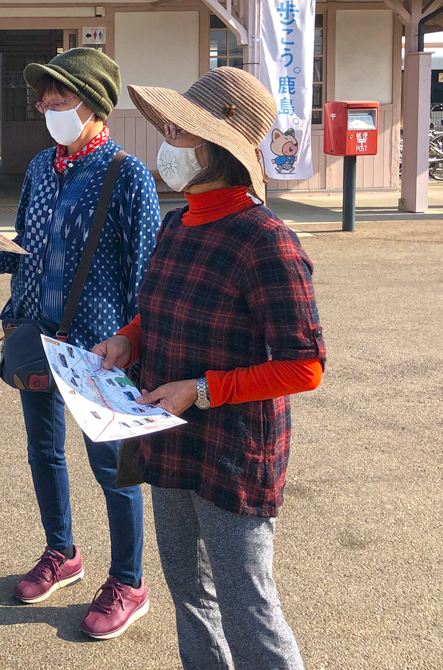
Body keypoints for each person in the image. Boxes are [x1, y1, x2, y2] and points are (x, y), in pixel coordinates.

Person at [92, 67, 325, 669]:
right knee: (190, 593)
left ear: (219, 148)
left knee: (247, 602)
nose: (168, 140)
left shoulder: (266, 239)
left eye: (182, 131)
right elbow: (158, 313)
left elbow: (304, 366)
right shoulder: (177, 223)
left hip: (233, 450)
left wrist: (201, 390)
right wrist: (125, 341)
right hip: (167, 439)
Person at [0, 48, 161, 640]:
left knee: (113, 466)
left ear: (96, 107)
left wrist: (136, 343)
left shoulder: (126, 174)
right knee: (44, 452)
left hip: (100, 349)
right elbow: (31, 245)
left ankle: (129, 582)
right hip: (35, 334)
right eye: (45, 102)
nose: (50, 111)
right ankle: (62, 554)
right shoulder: (39, 168)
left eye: (61, 102)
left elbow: (146, 270)